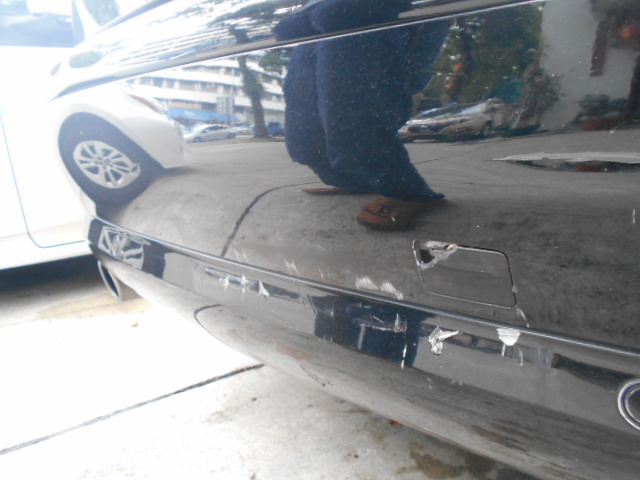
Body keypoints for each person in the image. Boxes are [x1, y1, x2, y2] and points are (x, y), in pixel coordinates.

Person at [274, 0, 450, 229]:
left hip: (367, 14)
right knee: (304, 139)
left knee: (354, 124)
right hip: (312, 18)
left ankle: (408, 193)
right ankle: (355, 181)